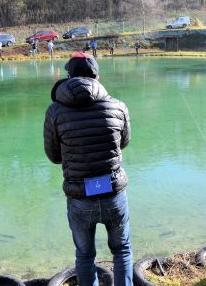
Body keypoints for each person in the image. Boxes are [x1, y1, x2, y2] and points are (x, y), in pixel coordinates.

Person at [43, 52, 133, 286]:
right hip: (113, 191)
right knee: (122, 250)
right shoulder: (118, 106)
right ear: (97, 76)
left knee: (84, 255)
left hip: (79, 195)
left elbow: (54, 156)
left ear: (69, 76)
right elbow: (123, 142)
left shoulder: (55, 111)